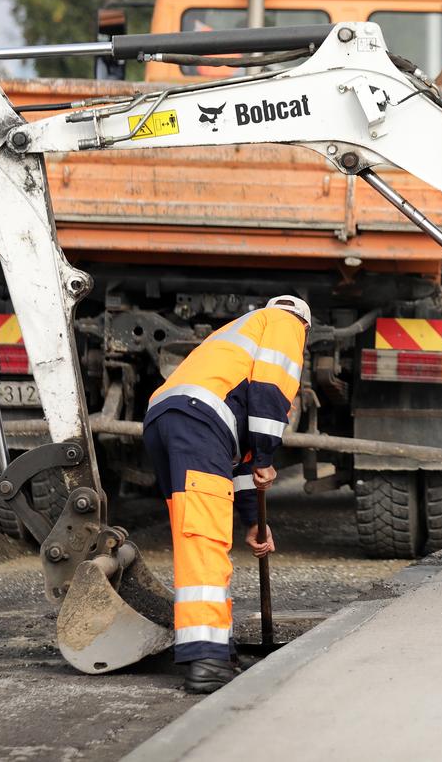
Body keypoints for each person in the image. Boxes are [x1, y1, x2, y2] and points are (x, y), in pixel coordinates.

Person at [141, 294, 309, 693]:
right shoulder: (284, 324)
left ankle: (216, 646)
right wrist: (267, 456)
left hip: (166, 420)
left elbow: (239, 456)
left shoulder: (234, 335)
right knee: (204, 538)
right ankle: (207, 662)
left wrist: (254, 521)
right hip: (199, 422)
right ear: (305, 326)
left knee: (193, 535)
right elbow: (270, 393)